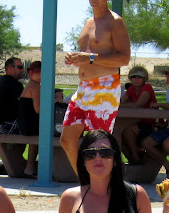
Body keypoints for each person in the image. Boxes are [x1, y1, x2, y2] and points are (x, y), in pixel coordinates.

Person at [60, 0, 130, 172]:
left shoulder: (115, 21)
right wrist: (75, 59)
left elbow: (124, 58)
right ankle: (86, 182)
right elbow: (86, 56)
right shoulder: (88, 22)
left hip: (105, 87)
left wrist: (90, 58)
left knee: (100, 145)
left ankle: (108, 185)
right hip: (83, 88)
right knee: (67, 140)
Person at [115, 66, 157, 163]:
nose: (136, 79)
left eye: (139, 77)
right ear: (130, 78)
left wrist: (118, 106)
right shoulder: (131, 89)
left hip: (150, 124)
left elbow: (138, 104)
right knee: (116, 133)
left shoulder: (147, 87)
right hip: (136, 122)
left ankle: (135, 157)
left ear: (144, 78)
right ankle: (131, 159)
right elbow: (121, 102)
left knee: (127, 129)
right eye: (134, 77)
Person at [18, 60, 42, 177]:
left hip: (26, 123)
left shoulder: (32, 84)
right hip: (29, 126)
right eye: (40, 73)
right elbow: (38, 109)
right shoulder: (34, 86)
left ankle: (30, 167)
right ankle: (30, 167)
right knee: (45, 134)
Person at [0, 57, 25, 135]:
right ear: (10, 68)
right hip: (4, 125)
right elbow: (25, 106)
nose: (23, 70)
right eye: (20, 67)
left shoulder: (3, 82)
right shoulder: (15, 84)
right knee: (35, 126)